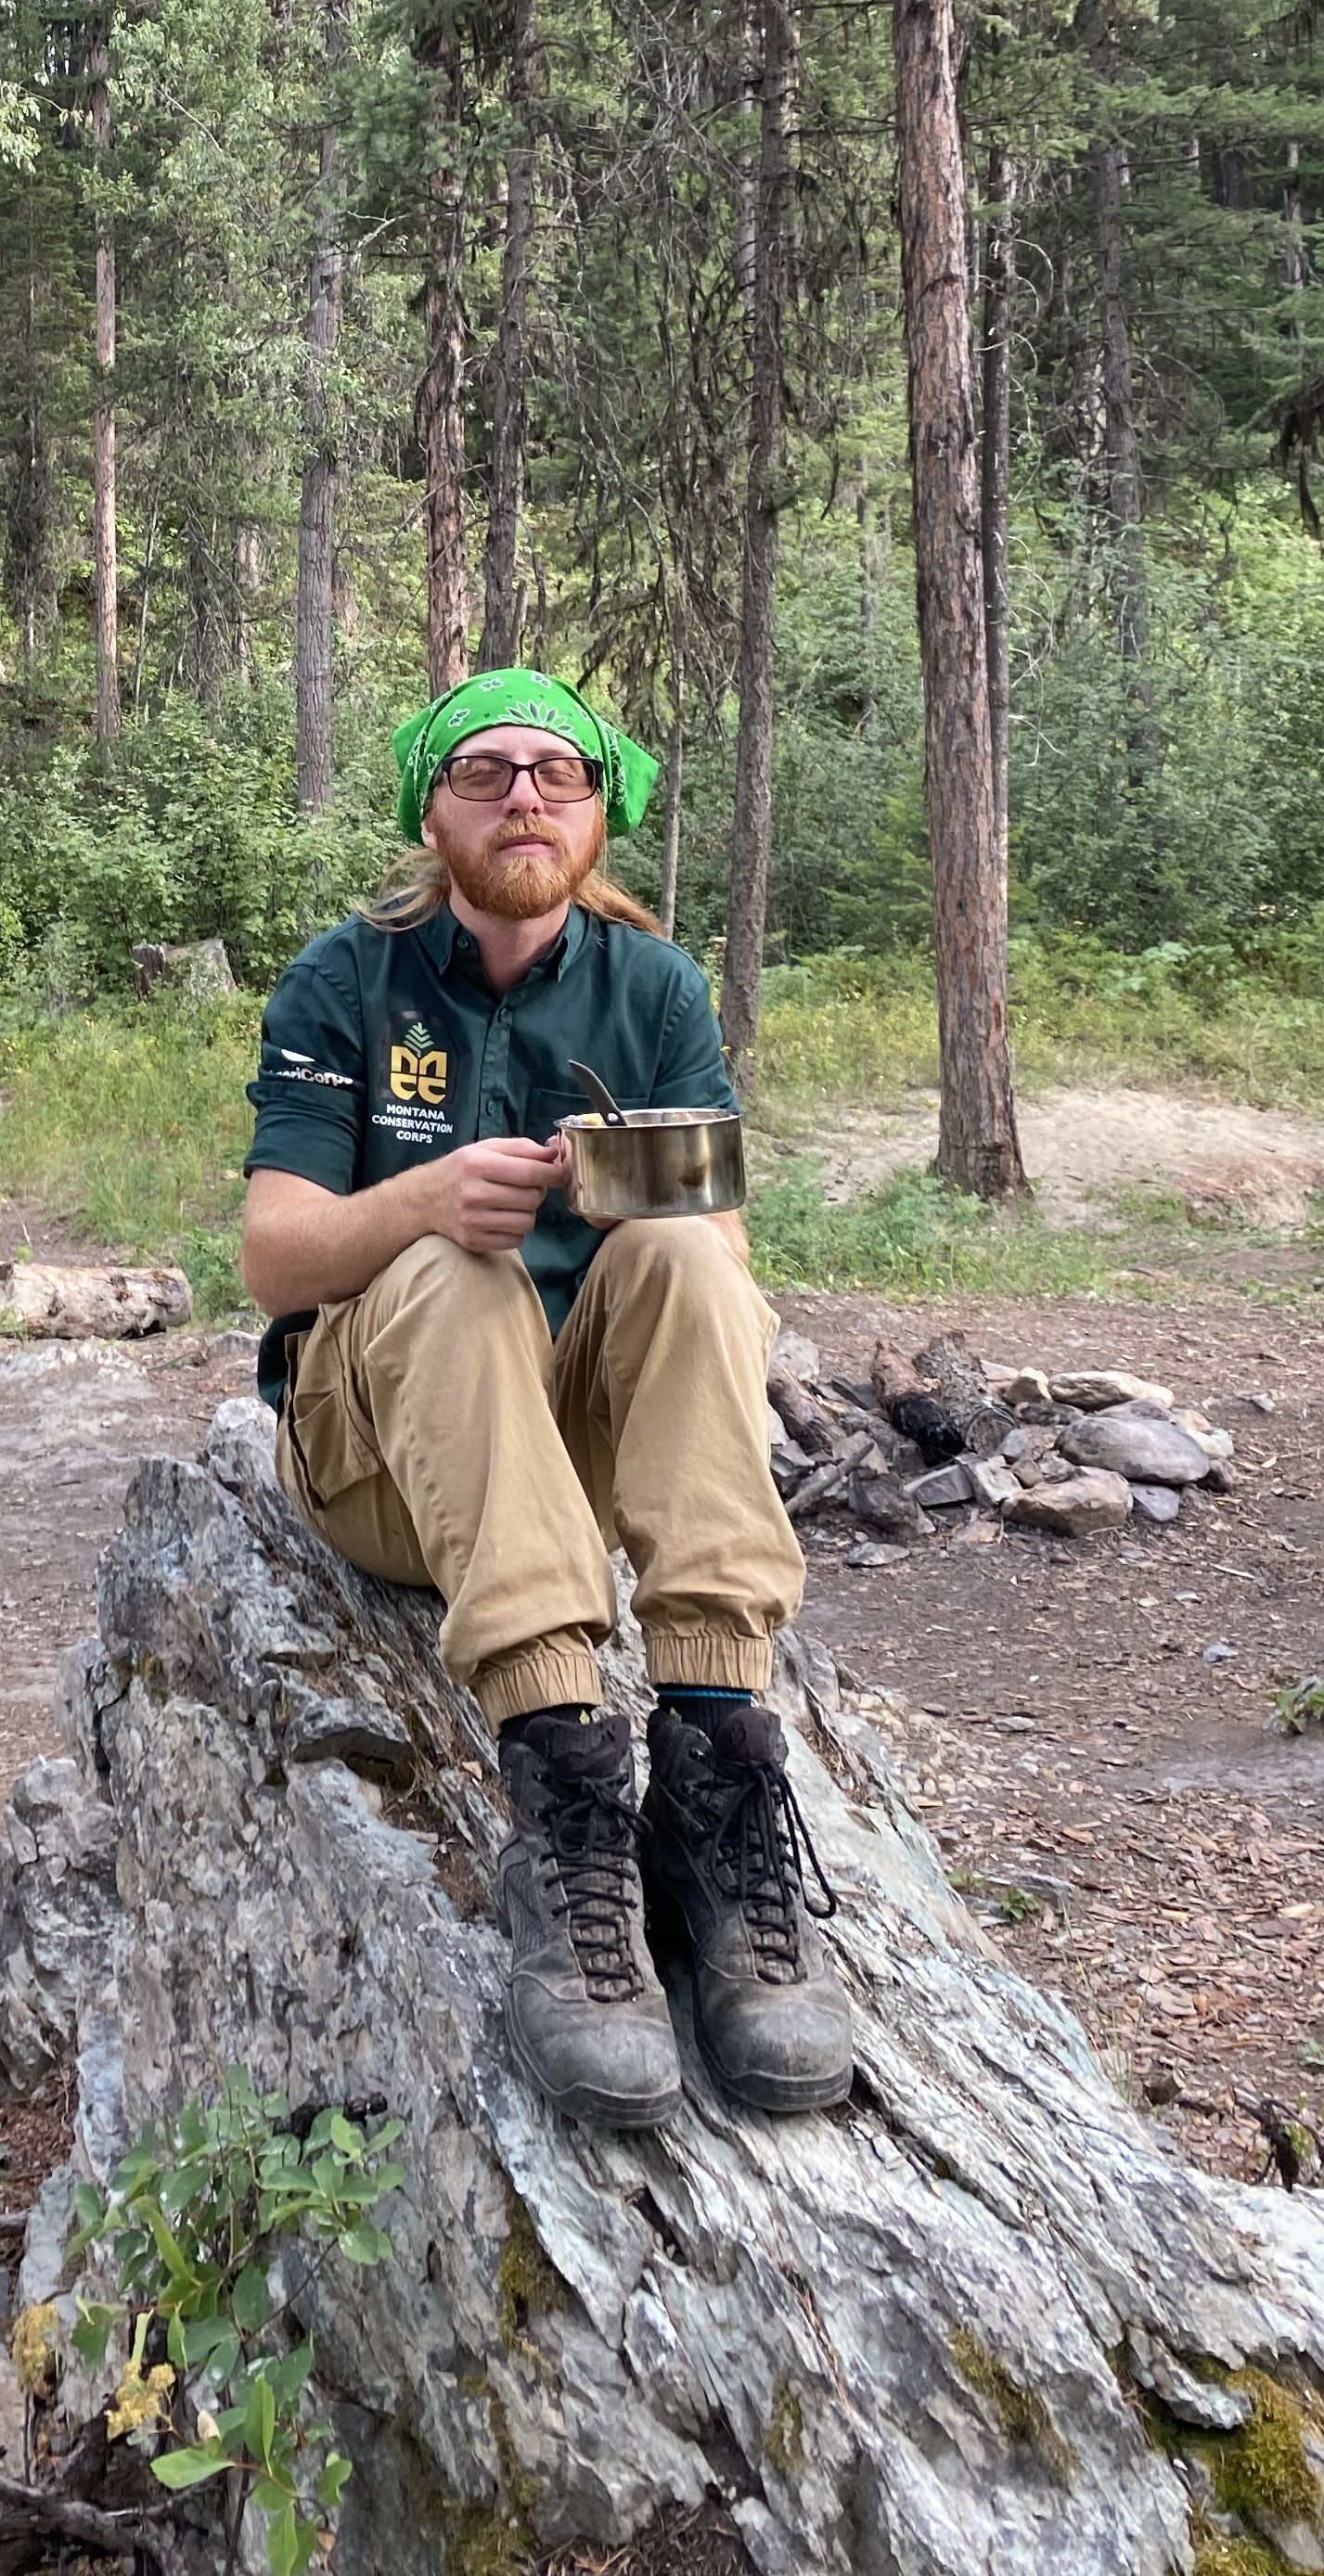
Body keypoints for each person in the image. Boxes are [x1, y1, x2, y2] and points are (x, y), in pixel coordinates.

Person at [238, 665, 849, 2130]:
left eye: (557, 773)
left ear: (601, 809)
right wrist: (430, 1199)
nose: (524, 795)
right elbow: (275, 1257)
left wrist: (636, 1197)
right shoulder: (347, 981)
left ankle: (714, 1779)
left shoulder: (656, 989)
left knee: (695, 1265)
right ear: (432, 807)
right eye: (486, 772)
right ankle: (568, 1791)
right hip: (387, 1461)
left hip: (572, 1451)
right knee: (453, 1273)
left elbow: (728, 1258)